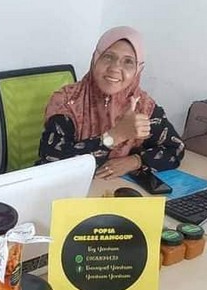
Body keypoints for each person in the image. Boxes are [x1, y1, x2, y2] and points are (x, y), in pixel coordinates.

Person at [36, 26, 184, 179]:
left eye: (128, 62)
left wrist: (135, 161)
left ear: (138, 70)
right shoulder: (67, 102)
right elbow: (52, 163)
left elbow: (176, 148)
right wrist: (115, 136)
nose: (114, 68)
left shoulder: (142, 106)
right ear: (95, 59)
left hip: (112, 186)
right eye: (108, 57)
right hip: (68, 188)